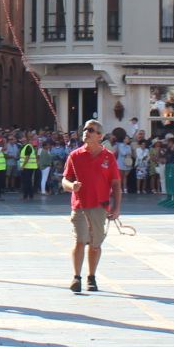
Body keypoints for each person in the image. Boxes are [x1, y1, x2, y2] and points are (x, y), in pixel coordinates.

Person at [61, 119, 122, 293]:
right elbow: (65, 180)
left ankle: (92, 277)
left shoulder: (108, 157)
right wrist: (72, 186)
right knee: (80, 240)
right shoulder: (75, 155)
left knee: (95, 244)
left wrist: (116, 208)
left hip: (99, 206)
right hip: (80, 205)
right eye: (85, 129)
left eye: (91, 130)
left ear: (99, 136)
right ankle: (76, 277)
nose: (86, 132)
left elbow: (116, 184)